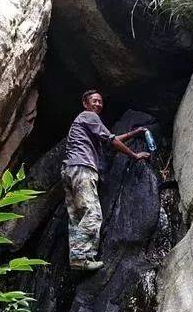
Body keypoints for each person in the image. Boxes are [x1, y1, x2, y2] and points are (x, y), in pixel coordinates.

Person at [61, 90, 150, 271]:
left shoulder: (85, 122)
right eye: (94, 101)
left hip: (70, 169)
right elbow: (111, 141)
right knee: (92, 213)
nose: (98, 104)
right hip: (82, 168)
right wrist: (134, 155)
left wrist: (134, 134)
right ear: (85, 104)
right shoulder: (89, 116)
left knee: (77, 217)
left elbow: (111, 139)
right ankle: (83, 258)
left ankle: (78, 258)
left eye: (101, 101)